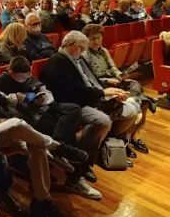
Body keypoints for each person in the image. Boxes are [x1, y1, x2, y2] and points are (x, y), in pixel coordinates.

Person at [0, 54, 86, 217]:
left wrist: (12, 116)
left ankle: (42, 201)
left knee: (37, 146)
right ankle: (57, 147)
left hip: (7, 129)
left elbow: (5, 104)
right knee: (18, 124)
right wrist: (1, 120)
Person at [40, 31, 137, 192]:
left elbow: (92, 81)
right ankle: (83, 161)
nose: (84, 51)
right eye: (81, 48)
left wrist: (107, 91)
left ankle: (107, 147)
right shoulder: (57, 62)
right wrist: (102, 94)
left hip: (89, 97)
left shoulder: (77, 58)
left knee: (131, 109)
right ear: (71, 45)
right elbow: (72, 92)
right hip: (70, 104)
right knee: (102, 121)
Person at [82, 24, 151, 155]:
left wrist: (120, 75)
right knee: (133, 102)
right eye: (92, 38)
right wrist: (108, 81)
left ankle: (134, 136)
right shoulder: (84, 55)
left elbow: (113, 68)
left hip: (114, 82)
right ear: (86, 39)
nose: (96, 41)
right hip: (102, 86)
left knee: (142, 97)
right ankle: (122, 139)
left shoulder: (104, 51)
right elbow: (92, 78)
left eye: (98, 38)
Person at [0, 56, 83, 149]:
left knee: (74, 109)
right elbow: (4, 105)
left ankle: (58, 143)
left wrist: (44, 97)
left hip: (42, 106)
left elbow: (41, 88)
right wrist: (15, 99)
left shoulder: (27, 76)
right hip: (30, 115)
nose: (25, 79)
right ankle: (61, 146)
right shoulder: (1, 82)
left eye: (28, 75)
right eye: (21, 77)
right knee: (58, 125)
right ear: (11, 73)